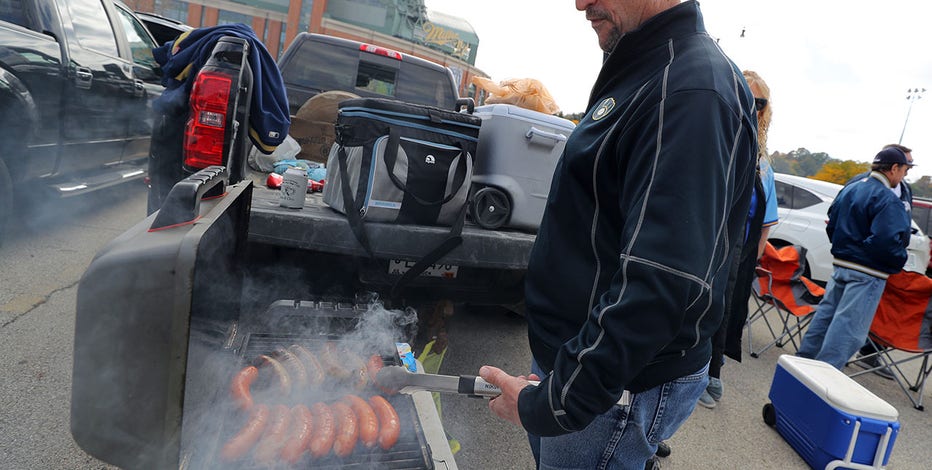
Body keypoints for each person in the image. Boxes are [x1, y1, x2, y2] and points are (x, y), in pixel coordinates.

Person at [477, 1, 758, 468]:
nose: (580, 3)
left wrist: (558, 401)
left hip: (617, 384)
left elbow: (662, 279)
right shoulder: (646, 66)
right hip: (578, 358)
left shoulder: (689, 88)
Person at [700, 70, 780, 409]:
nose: (751, 108)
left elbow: (765, 223)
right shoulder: (710, 139)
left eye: (758, 102)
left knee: (724, 311)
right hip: (703, 242)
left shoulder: (764, 165)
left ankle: (710, 372)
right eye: (745, 99)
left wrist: (751, 259)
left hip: (737, 252)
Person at [795, 146, 914, 370]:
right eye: (905, 170)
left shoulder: (853, 188)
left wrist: (846, 247)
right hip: (868, 271)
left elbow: (833, 220)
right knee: (849, 329)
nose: (905, 176)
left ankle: (802, 363)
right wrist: (897, 260)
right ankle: (824, 374)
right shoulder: (887, 198)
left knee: (826, 316)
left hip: (842, 264)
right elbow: (887, 240)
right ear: (894, 168)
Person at [846, 143, 916, 379]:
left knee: (880, 310)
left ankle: (870, 353)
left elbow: (902, 223)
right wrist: (887, 254)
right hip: (864, 263)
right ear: (894, 166)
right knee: (849, 318)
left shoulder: (904, 190)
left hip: (883, 264)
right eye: (906, 166)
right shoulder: (865, 183)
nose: (908, 171)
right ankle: (831, 363)